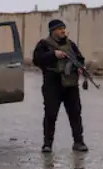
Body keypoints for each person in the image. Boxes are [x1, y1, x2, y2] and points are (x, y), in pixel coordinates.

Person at [32, 19, 89, 153]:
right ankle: (47, 144)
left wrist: (80, 67)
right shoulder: (44, 44)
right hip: (52, 84)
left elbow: (80, 58)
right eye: (59, 29)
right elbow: (37, 60)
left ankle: (78, 142)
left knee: (75, 113)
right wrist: (53, 54)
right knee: (51, 114)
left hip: (70, 84)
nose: (63, 31)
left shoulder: (70, 44)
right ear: (53, 31)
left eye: (64, 28)